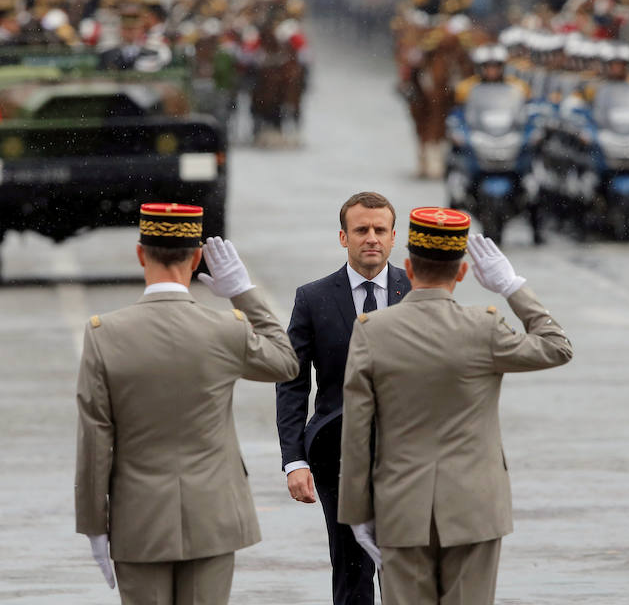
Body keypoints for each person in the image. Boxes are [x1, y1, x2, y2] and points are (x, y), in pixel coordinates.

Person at [338, 207, 573, 604]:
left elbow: (357, 432)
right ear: (462, 273)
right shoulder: (485, 327)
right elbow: (557, 346)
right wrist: (512, 286)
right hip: (474, 507)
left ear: (408, 267)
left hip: (400, 506)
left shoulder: (372, 331)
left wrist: (356, 513)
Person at [74, 203, 299, 604]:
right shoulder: (225, 329)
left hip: (138, 520)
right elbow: (285, 363)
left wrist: (93, 524)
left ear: (141, 253)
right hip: (213, 516)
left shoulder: (104, 335)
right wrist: (243, 294)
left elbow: (95, 440)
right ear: (197, 258)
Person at [275, 192, 412, 605]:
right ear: (343, 237)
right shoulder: (313, 298)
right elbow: (292, 382)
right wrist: (294, 460)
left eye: (379, 230)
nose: (371, 238)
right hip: (336, 453)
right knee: (352, 567)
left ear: (393, 238)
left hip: (408, 452)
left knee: (408, 566)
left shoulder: (417, 293)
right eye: (361, 230)